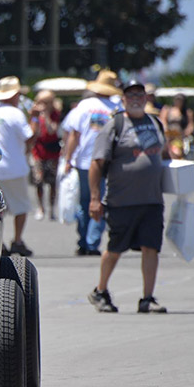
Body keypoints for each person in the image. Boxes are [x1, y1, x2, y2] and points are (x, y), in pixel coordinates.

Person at [87, 80, 169, 314]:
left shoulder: (155, 123)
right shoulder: (115, 125)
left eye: (139, 94)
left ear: (146, 98)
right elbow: (96, 164)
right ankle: (100, 291)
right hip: (121, 200)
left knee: (151, 247)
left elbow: (165, 154)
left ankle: (147, 298)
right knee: (115, 248)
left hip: (152, 199)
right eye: (130, 95)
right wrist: (95, 198)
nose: (135, 98)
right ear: (122, 99)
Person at [62, 69, 123, 256]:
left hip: (84, 161)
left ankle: (83, 240)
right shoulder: (116, 108)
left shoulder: (84, 105)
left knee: (85, 202)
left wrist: (68, 158)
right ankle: (92, 242)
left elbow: (74, 134)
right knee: (101, 201)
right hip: (106, 160)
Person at [0, 76, 36, 257]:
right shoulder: (16, 113)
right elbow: (29, 137)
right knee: (21, 206)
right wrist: (35, 119)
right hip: (13, 167)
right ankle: (18, 241)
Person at [29, 89, 62, 220]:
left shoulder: (54, 114)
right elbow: (32, 132)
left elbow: (51, 130)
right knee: (38, 181)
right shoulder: (35, 115)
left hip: (52, 152)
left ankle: (52, 208)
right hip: (38, 152)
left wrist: (46, 115)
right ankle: (40, 207)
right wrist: (35, 116)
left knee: (52, 183)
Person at [160, 93, 194, 159]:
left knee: (177, 152)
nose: (178, 102)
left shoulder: (187, 112)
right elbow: (163, 121)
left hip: (179, 137)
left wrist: (186, 133)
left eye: (180, 100)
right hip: (168, 136)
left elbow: (191, 124)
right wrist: (166, 130)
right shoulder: (167, 109)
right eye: (177, 100)